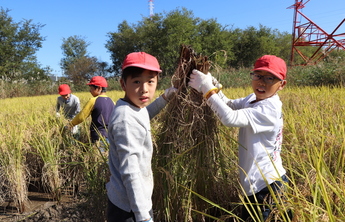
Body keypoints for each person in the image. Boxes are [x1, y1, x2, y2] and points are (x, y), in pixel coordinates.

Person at [188, 55, 291, 221]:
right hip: (255, 187)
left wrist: (206, 88)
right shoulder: (252, 99)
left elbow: (229, 118)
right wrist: (212, 85)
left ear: (282, 85)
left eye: (270, 78)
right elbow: (229, 106)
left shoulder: (269, 109)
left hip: (267, 187)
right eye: (258, 75)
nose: (262, 82)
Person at [106, 52, 176, 222]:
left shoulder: (133, 107)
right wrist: (143, 216)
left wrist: (165, 98)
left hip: (129, 200)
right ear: (123, 84)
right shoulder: (125, 119)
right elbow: (131, 171)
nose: (144, 89)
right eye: (137, 81)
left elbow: (144, 115)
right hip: (129, 207)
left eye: (150, 81)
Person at [68, 76, 115, 147]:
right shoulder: (112, 101)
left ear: (99, 88)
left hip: (98, 136)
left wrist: (71, 124)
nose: (90, 91)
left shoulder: (93, 100)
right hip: (111, 136)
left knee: (98, 156)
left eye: (91, 88)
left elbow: (81, 117)